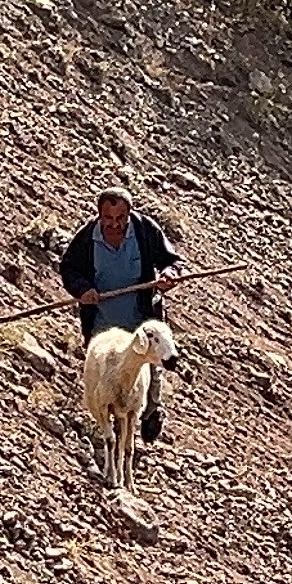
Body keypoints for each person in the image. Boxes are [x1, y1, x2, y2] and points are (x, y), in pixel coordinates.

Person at [59, 186, 183, 443]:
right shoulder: (86, 239)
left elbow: (171, 261)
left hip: (141, 322)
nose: (115, 225)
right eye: (109, 219)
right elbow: (69, 269)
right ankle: (108, 426)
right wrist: (83, 289)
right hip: (103, 326)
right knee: (108, 375)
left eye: (120, 218)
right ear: (99, 215)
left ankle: (150, 412)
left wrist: (169, 275)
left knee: (151, 371)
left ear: (129, 213)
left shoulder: (145, 230)